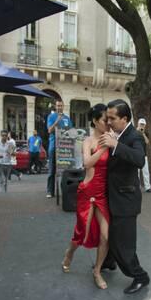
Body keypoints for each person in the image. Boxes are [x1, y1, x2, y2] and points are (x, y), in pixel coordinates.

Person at [98, 99, 150, 294]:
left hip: (126, 201)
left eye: (112, 118)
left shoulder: (134, 136)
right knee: (112, 235)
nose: (108, 121)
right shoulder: (117, 133)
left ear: (124, 118)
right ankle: (110, 262)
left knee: (124, 244)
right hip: (114, 197)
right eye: (107, 117)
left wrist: (115, 145)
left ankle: (140, 276)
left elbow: (138, 159)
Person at [61, 104, 110, 290]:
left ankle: (97, 271)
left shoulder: (111, 139)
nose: (108, 123)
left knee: (105, 236)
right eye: (105, 120)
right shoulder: (88, 141)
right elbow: (87, 163)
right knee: (82, 231)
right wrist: (104, 147)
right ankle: (70, 252)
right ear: (96, 121)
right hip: (88, 191)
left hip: (104, 193)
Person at [46, 99, 72, 198]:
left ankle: (64, 190)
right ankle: (49, 191)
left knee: (65, 170)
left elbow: (70, 131)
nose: (59, 107)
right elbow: (49, 130)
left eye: (61, 106)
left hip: (65, 147)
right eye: (58, 106)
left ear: (63, 106)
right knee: (52, 170)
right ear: (55, 107)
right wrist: (57, 121)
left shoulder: (67, 118)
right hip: (53, 146)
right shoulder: (51, 116)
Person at [137, 118, 151, 192]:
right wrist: (138, 131)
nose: (142, 126)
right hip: (136, 155)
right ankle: (137, 187)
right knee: (136, 172)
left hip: (144, 155)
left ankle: (147, 187)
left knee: (146, 172)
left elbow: (147, 142)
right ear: (138, 124)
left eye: (143, 125)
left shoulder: (145, 133)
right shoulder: (134, 132)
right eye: (141, 124)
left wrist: (143, 133)